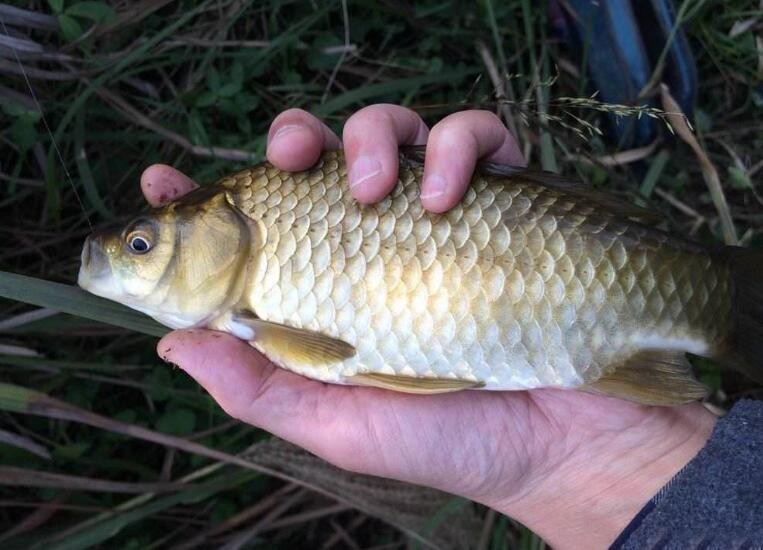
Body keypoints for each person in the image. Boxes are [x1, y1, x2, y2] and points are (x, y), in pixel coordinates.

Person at [140, 105, 763, 548]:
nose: (139, 255)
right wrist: (581, 471)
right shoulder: (252, 318)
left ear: (223, 230)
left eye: (142, 245)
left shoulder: (263, 303)